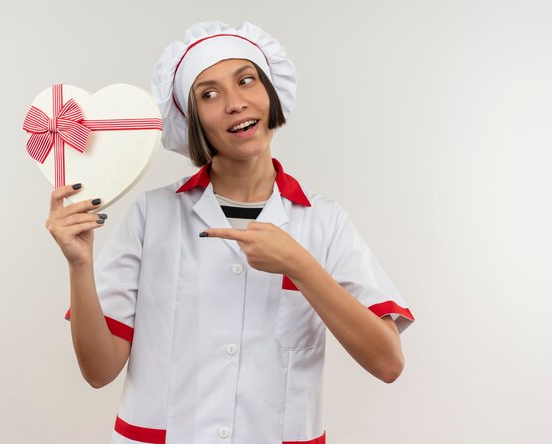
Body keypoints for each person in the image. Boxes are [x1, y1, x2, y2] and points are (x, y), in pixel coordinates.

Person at [46, 21, 414, 444]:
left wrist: (299, 265)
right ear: (192, 119)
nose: (235, 103)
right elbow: (99, 371)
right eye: (209, 94)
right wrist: (80, 265)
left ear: (271, 93)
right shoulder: (153, 214)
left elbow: (388, 363)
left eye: (246, 81)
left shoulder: (324, 221)